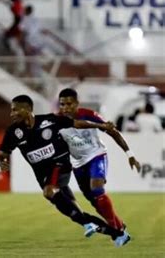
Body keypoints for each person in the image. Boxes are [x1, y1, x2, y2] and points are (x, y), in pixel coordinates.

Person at [0, 95, 131, 247]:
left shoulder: (49, 120)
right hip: (43, 176)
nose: (11, 114)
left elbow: (77, 124)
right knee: (75, 213)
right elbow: (3, 153)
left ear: (27, 109)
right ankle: (118, 234)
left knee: (49, 192)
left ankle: (89, 223)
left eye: (15, 110)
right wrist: (1, 160)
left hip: (60, 166)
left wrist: (100, 126)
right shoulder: (13, 132)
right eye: (11, 111)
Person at [57, 88, 141, 241]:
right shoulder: (56, 121)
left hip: (97, 155)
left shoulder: (89, 115)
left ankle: (115, 230)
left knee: (97, 189)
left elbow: (112, 131)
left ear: (77, 103)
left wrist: (130, 154)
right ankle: (120, 227)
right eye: (62, 104)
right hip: (77, 164)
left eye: (69, 104)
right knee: (95, 202)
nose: (65, 108)